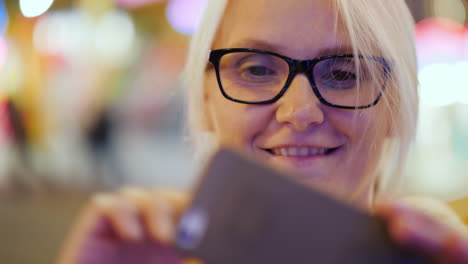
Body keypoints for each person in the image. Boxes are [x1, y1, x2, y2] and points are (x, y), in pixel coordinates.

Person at [58, 0, 468, 263]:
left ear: (398, 106)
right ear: (206, 99)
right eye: (256, 69)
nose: (300, 112)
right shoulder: (143, 253)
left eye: (344, 73)